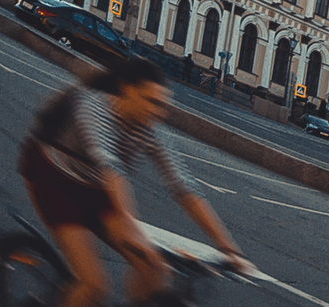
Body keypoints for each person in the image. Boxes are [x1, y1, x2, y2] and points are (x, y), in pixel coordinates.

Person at [17, 59, 250, 305]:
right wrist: (133, 231)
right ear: (127, 89)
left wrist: (228, 248)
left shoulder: (149, 127)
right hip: (55, 182)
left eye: (162, 105)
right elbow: (112, 170)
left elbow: (182, 185)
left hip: (96, 189)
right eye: (151, 101)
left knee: (156, 269)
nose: (157, 112)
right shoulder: (92, 108)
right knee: (93, 285)